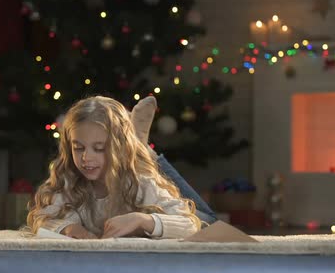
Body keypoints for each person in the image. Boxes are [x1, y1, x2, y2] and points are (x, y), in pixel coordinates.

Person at [27, 95, 216, 239]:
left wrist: (142, 220)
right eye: (78, 148)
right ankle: (138, 144)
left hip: (142, 177)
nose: (86, 157)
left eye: (99, 148)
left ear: (118, 148)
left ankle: (140, 146)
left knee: (210, 221)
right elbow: (43, 220)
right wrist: (67, 228)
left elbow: (191, 224)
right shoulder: (70, 182)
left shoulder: (140, 183)